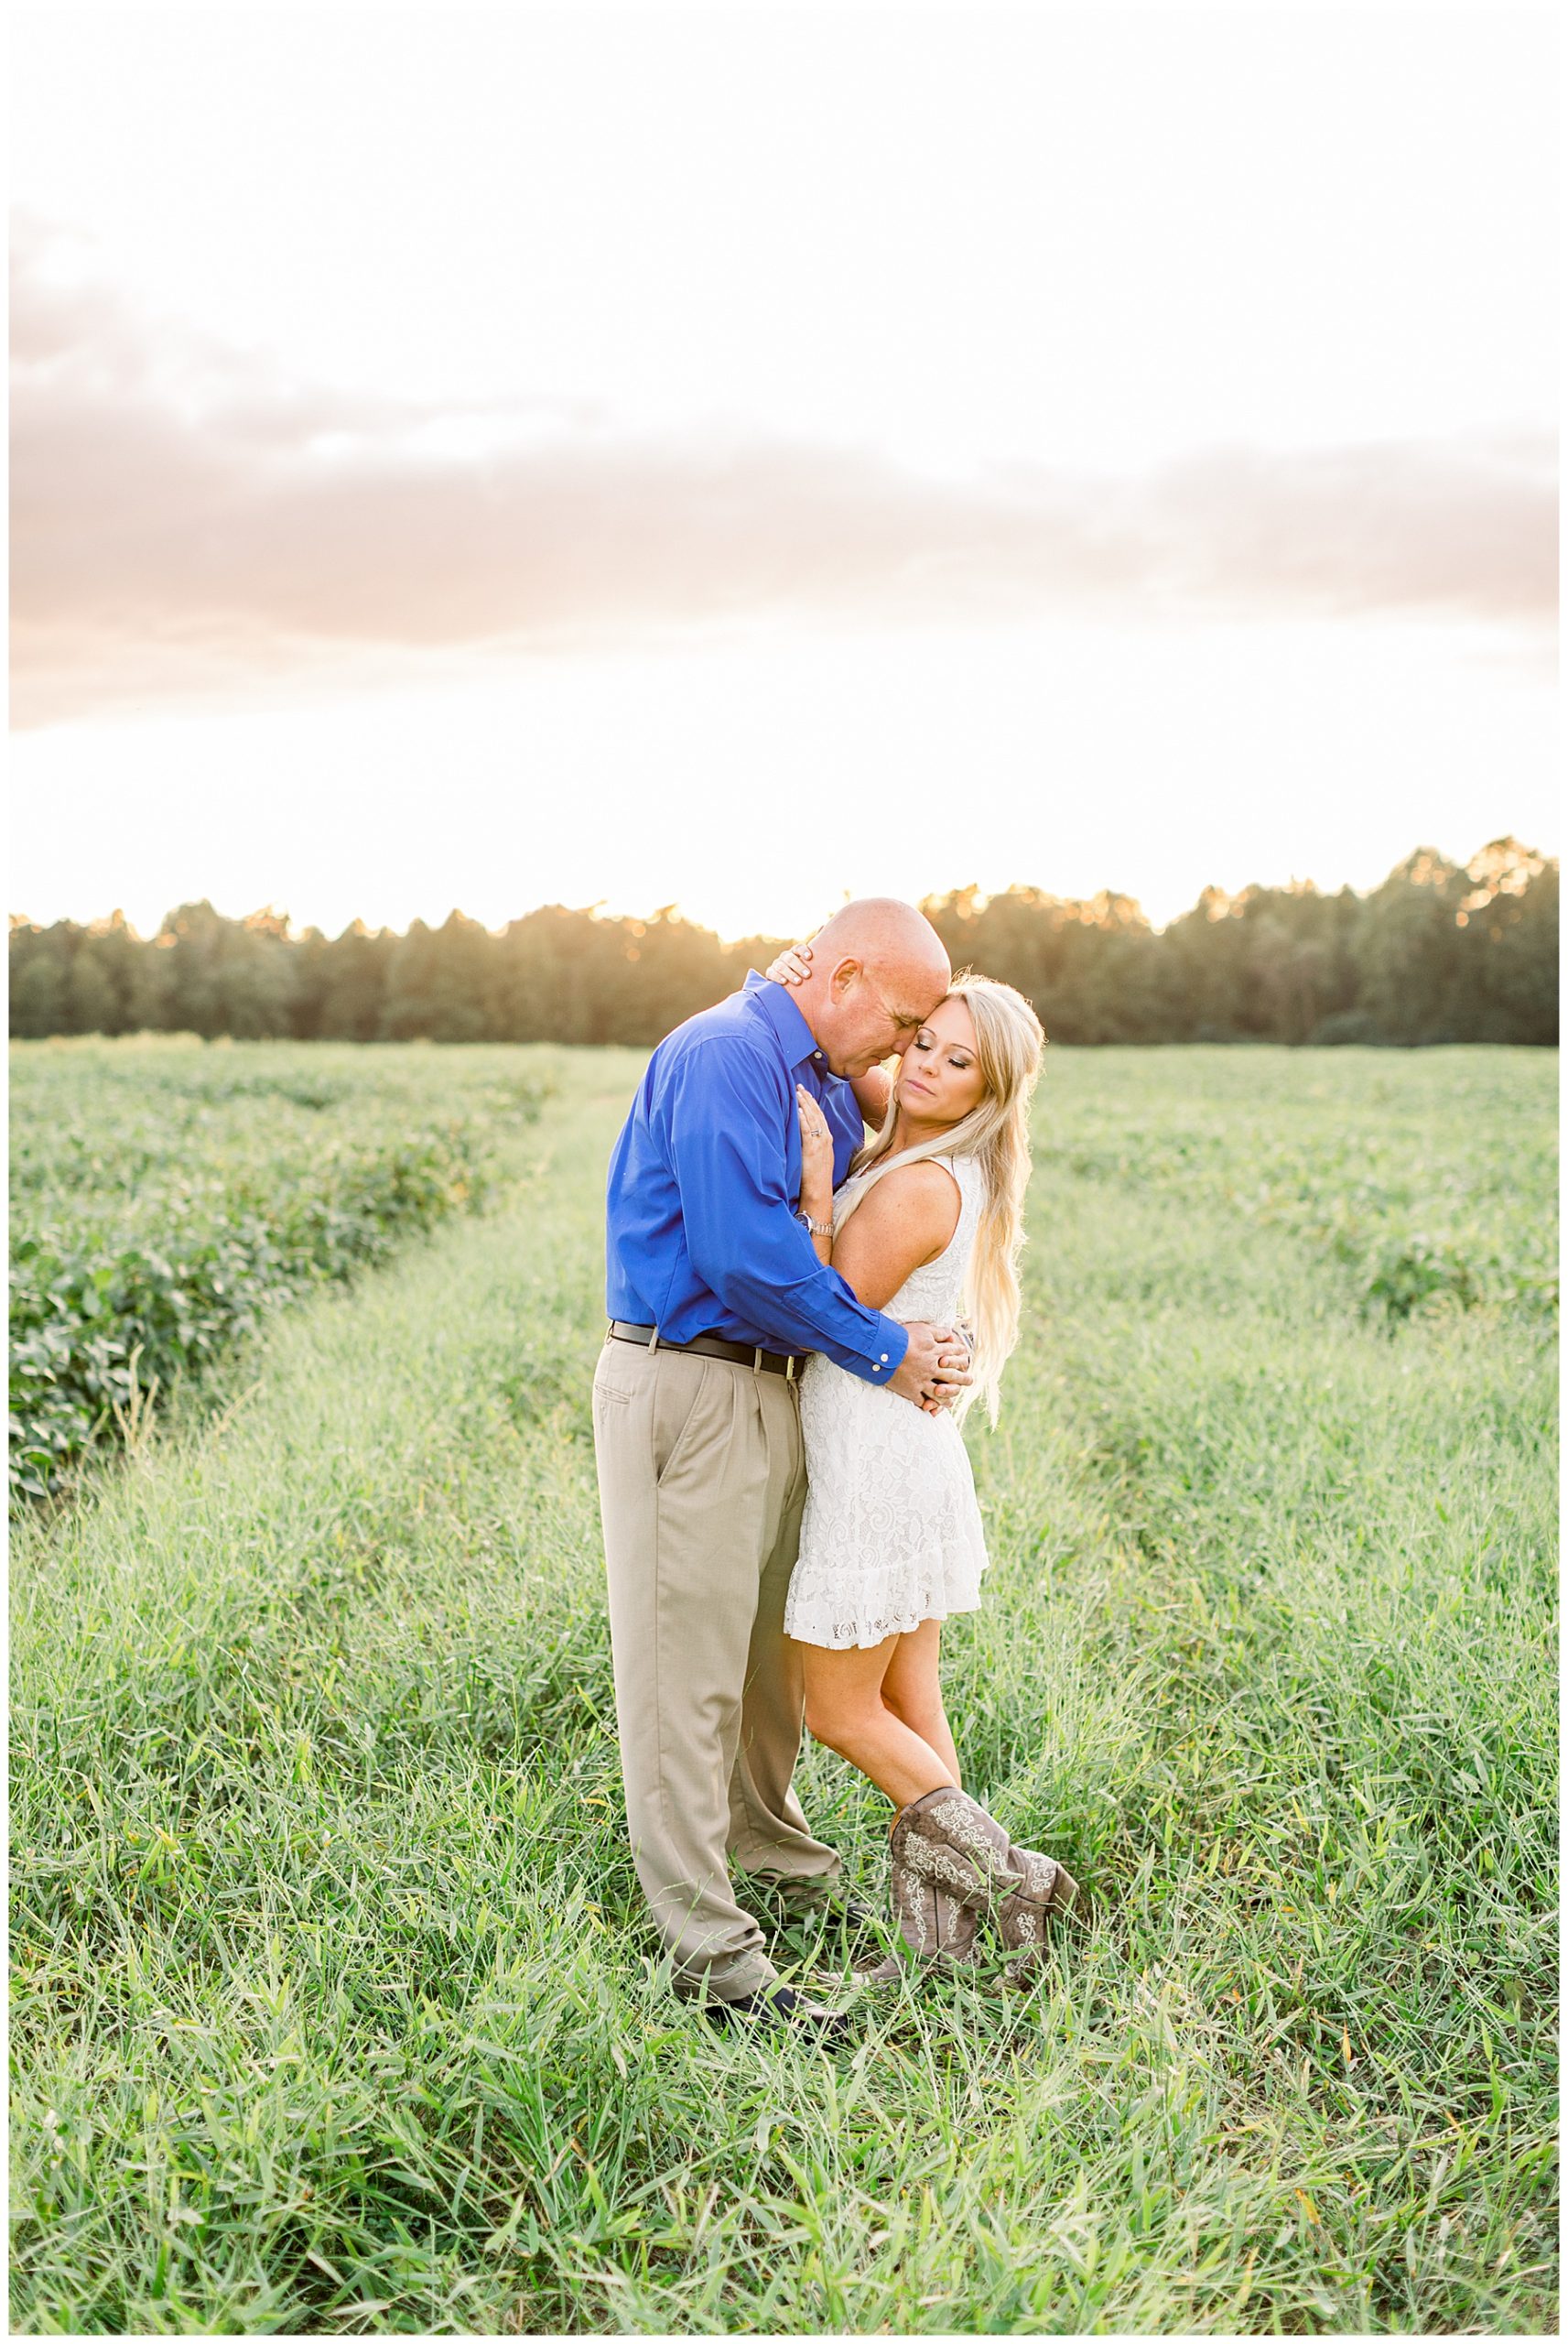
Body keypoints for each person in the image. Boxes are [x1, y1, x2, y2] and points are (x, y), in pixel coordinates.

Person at [592, 898, 977, 2045]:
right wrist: (888, 1347)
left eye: (924, 1035)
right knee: (684, 1680)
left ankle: (787, 1870)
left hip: (770, 1388)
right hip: (690, 1381)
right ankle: (716, 1958)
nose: (903, 1052)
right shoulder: (725, 1054)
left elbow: (929, 1109)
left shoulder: (812, 1064)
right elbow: (741, 1253)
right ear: (843, 972)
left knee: (768, 1672)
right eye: (901, 1021)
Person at [765, 939, 1085, 1987]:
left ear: (990, 1092)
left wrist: (818, 1190)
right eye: (924, 1043)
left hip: (875, 1459)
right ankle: (945, 1940)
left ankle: (1011, 1882)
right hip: (909, 1451)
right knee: (909, 1699)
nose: (924, 1069)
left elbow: (823, 1309)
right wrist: (791, 980)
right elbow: (858, 1051)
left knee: (838, 1709)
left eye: (957, 1064)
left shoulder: (913, 1187)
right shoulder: (934, 1151)